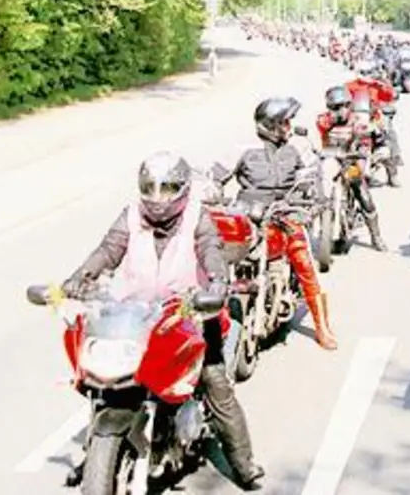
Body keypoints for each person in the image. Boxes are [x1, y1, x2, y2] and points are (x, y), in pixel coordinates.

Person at [60, 152, 266, 490]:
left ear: (184, 189)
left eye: (168, 188)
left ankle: (244, 465)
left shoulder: (197, 218)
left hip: (191, 312)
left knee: (216, 385)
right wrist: (80, 277)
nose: (158, 198)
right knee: (103, 381)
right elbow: (108, 250)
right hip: (136, 314)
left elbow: (210, 249)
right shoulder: (130, 217)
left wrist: (217, 283)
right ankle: (96, 452)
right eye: (151, 188)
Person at [228, 96, 338, 350]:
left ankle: (322, 327)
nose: (289, 127)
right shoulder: (242, 149)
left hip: (287, 216)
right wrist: (210, 192)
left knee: (305, 265)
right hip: (251, 217)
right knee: (218, 256)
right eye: (285, 122)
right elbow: (215, 175)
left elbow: (314, 174)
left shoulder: (297, 148)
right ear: (271, 125)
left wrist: (317, 197)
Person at [315, 86, 386, 250]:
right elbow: (322, 124)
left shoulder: (358, 122)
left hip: (352, 160)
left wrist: (374, 139)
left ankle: (376, 237)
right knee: (316, 186)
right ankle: (323, 219)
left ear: (349, 105)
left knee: (363, 195)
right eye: (333, 107)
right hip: (331, 159)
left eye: (342, 106)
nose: (338, 111)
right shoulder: (324, 121)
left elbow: (372, 134)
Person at [346, 61, 400, 186]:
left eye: (369, 72)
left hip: (374, 118)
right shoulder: (350, 86)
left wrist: (384, 84)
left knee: (390, 137)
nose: (366, 75)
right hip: (355, 119)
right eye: (363, 72)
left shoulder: (377, 86)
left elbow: (390, 96)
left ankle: (392, 175)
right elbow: (341, 100)